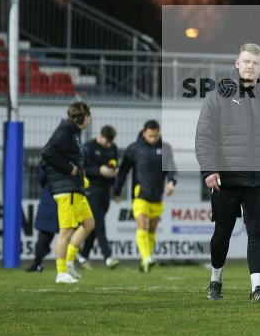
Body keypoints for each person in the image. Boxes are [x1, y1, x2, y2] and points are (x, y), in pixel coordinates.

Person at [195, 43, 260, 303]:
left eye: (255, 62)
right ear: (237, 63)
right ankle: (215, 282)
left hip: (259, 179)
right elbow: (205, 136)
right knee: (223, 231)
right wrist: (209, 169)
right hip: (227, 178)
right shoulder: (218, 96)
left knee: (258, 231)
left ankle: (256, 289)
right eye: (246, 61)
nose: (250, 66)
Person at [40, 101, 94, 284]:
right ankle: (61, 272)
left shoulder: (73, 132)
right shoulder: (66, 130)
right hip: (66, 188)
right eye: (89, 116)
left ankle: (69, 262)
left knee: (88, 223)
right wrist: (69, 169)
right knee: (66, 231)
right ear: (83, 116)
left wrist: (80, 174)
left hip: (75, 187)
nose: (89, 120)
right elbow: (47, 152)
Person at [115, 120, 176, 273]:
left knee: (152, 229)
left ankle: (145, 260)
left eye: (155, 136)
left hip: (157, 196)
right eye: (150, 136)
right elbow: (123, 171)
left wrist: (171, 183)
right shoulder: (134, 149)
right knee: (142, 224)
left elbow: (171, 169)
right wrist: (117, 190)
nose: (153, 139)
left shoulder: (165, 148)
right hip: (140, 195)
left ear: (159, 133)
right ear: (144, 133)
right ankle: (147, 258)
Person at [77, 125, 120, 270]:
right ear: (100, 136)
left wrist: (114, 175)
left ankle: (83, 255)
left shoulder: (112, 147)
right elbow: (83, 169)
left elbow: (114, 164)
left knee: (94, 226)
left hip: (105, 190)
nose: (109, 145)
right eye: (107, 142)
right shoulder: (88, 147)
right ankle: (107, 257)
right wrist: (99, 170)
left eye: (110, 143)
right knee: (99, 223)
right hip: (91, 190)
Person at [25, 162, 59, 273]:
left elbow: (42, 178)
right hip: (67, 197)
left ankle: (38, 262)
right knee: (69, 233)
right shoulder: (74, 154)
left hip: (50, 197)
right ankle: (70, 263)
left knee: (44, 235)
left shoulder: (47, 158)